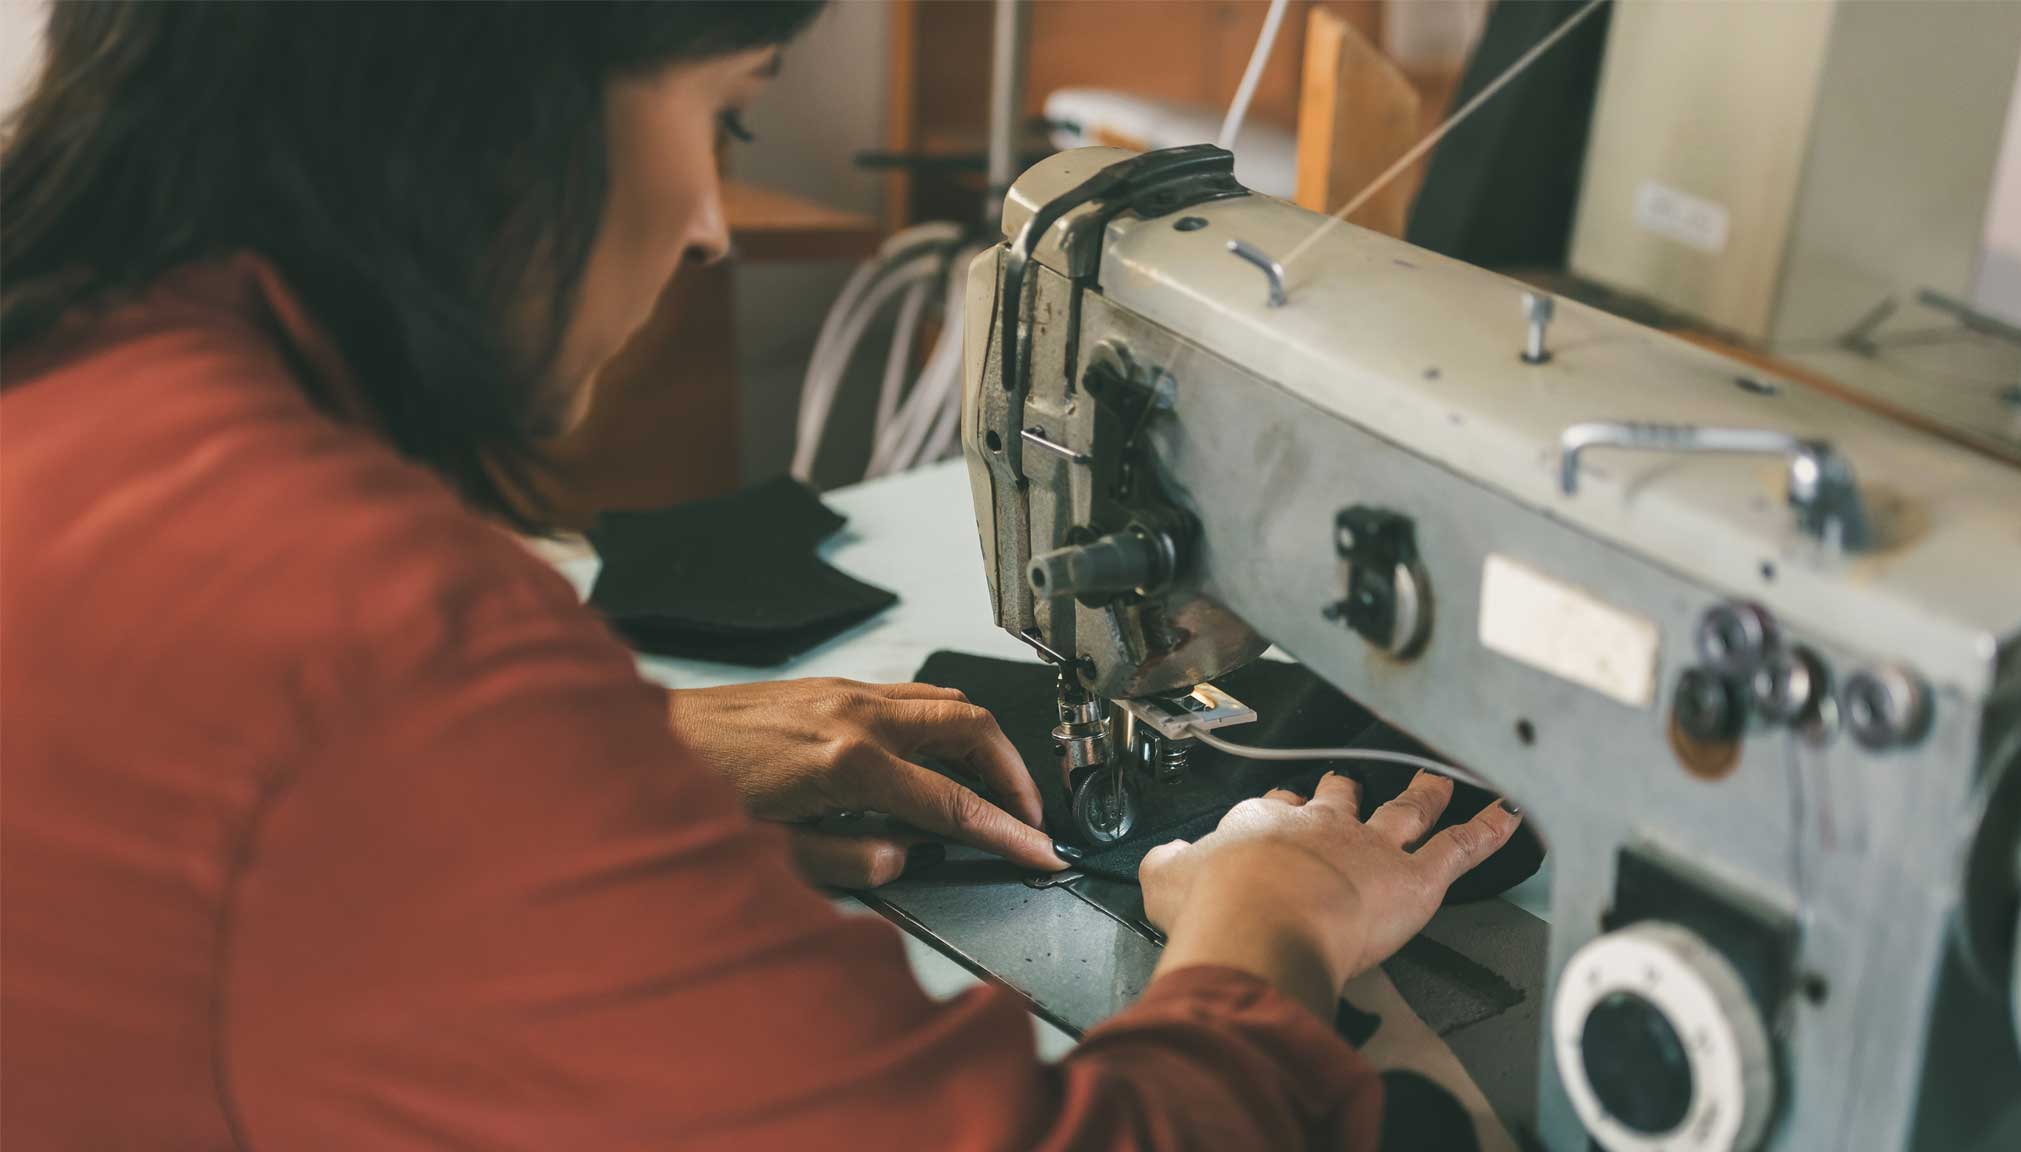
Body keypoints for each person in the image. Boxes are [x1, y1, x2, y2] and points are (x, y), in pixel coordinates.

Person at [0, 4, 1523, 1149]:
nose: (715, 229)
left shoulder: (69, 392)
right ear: (487, 104)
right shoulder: (380, 648)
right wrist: (1274, 925)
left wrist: (605, 771)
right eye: (728, 121)